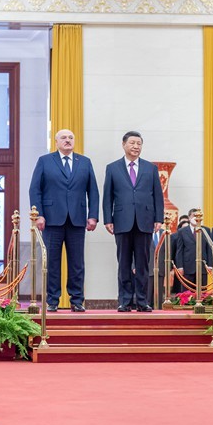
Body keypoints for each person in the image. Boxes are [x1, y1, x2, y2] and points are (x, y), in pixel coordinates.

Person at [29, 129, 100, 312]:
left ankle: (77, 300)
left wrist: (93, 216)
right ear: (56, 142)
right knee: (52, 262)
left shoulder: (85, 162)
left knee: (77, 263)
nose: (67, 140)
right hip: (51, 220)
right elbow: (35, 189)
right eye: (63, 137)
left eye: (70, 137)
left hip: (77, 220)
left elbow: (93, 191)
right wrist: (39, 215)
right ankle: (52, 300)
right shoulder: (45, 161)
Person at [103, 131, 164, 312]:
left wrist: (158, 218)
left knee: (142, 263)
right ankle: (125, 301)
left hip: (145, 221)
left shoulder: (150, 168)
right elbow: (107, 196)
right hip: (122, 220)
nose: (136, 146)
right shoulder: (112, 168)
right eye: (132, 143)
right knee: (123, 263)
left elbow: (158, 195)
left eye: (139, 143)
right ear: (124, 144)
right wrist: (108, 219)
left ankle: (142, 301)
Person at [173, 209, 213, 294]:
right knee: (187, 293)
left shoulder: (206, 230)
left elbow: (209, 248)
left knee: (202, 292)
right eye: (194, 216)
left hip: (202, 266)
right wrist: (180, 266)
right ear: (189, 217)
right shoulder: (182, 231)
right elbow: (179, 250)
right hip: (187, 266)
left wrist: (210, 265)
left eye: (198, 216)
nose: (196, 218)